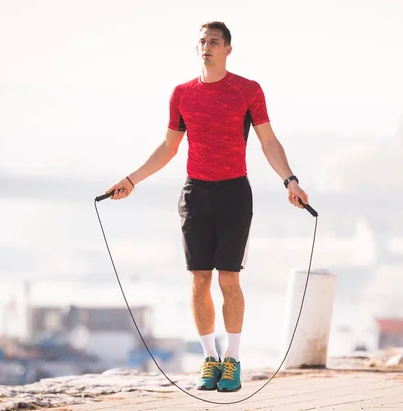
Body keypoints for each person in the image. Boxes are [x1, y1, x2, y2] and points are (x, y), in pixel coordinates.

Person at [104, 21, 310, 393]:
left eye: (214, 42)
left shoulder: (247, 90)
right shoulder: (182, 94)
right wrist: (132, 180)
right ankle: (209, 359)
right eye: (202, 42)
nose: (206, 47)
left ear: (228, 49)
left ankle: (232, 360)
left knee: (229, 279)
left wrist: (289, 180)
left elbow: (268, 141)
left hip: (234, 193)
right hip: (195, 193)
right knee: (199, 280)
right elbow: (169, 147)